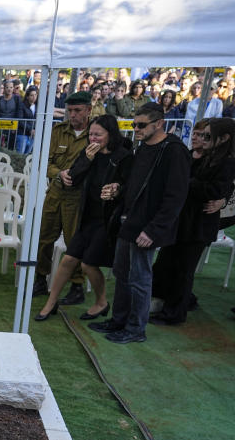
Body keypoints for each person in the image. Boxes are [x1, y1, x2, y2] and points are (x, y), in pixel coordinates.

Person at [89, 103, 190, 343]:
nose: (136, 129)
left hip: (148, 227)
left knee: (140, 279)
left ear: (159, 123)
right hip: (129, 222)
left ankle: (135, 329)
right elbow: (135, 183)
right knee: (122, 273)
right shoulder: (142, 147)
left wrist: (154, 230)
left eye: (142, 125)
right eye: (134, 125)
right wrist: (118, 190)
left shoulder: (174, 151)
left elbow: (176, 196)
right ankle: (119, 320)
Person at [34, 115, 133, 322]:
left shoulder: (123, 156)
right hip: (87, 215)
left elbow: (129, 187)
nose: (93, 139)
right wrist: (86, 160)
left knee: (88, 264)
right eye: (91, 134)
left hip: (106, 219)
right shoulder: (88, 153)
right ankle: (51, 302)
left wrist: (116, 190)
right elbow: (73, 179)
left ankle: (101, 301)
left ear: (110, 134)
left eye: (98, 135)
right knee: (69, 259)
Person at [151, 118, 235, 325]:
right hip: (184, 221)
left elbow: (217, 190)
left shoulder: (226, 161)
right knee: (167, 263)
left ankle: (174, 313)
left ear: (223, 139)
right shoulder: (202, 156)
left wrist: (186, 184)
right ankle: (176, 302)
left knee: (183, 270)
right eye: (199, 135)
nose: (201, 139)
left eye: (207, 136)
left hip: (198, 225)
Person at [31, 92, 92, 301]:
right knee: (44, 236)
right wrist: (59, 173)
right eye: (70, 110)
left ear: (88, 110)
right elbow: (44, 162)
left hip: (78, 196)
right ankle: (40, 279)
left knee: (73, 241)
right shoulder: (58, 131)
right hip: (56, 191)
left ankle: (77, 286)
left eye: (78, 111)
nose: (72, 115)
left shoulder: (95, 134)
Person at [16, 86, 38, 154]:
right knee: (20, 154)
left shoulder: (38, 105)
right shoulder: (22, 105)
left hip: (33, 134)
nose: (34, 97)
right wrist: (30, 129)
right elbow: (21, 120)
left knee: (27, 154)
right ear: (27, 97)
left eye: (35, 95)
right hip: (23, 133)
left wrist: (35, 130)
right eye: (31, 95)